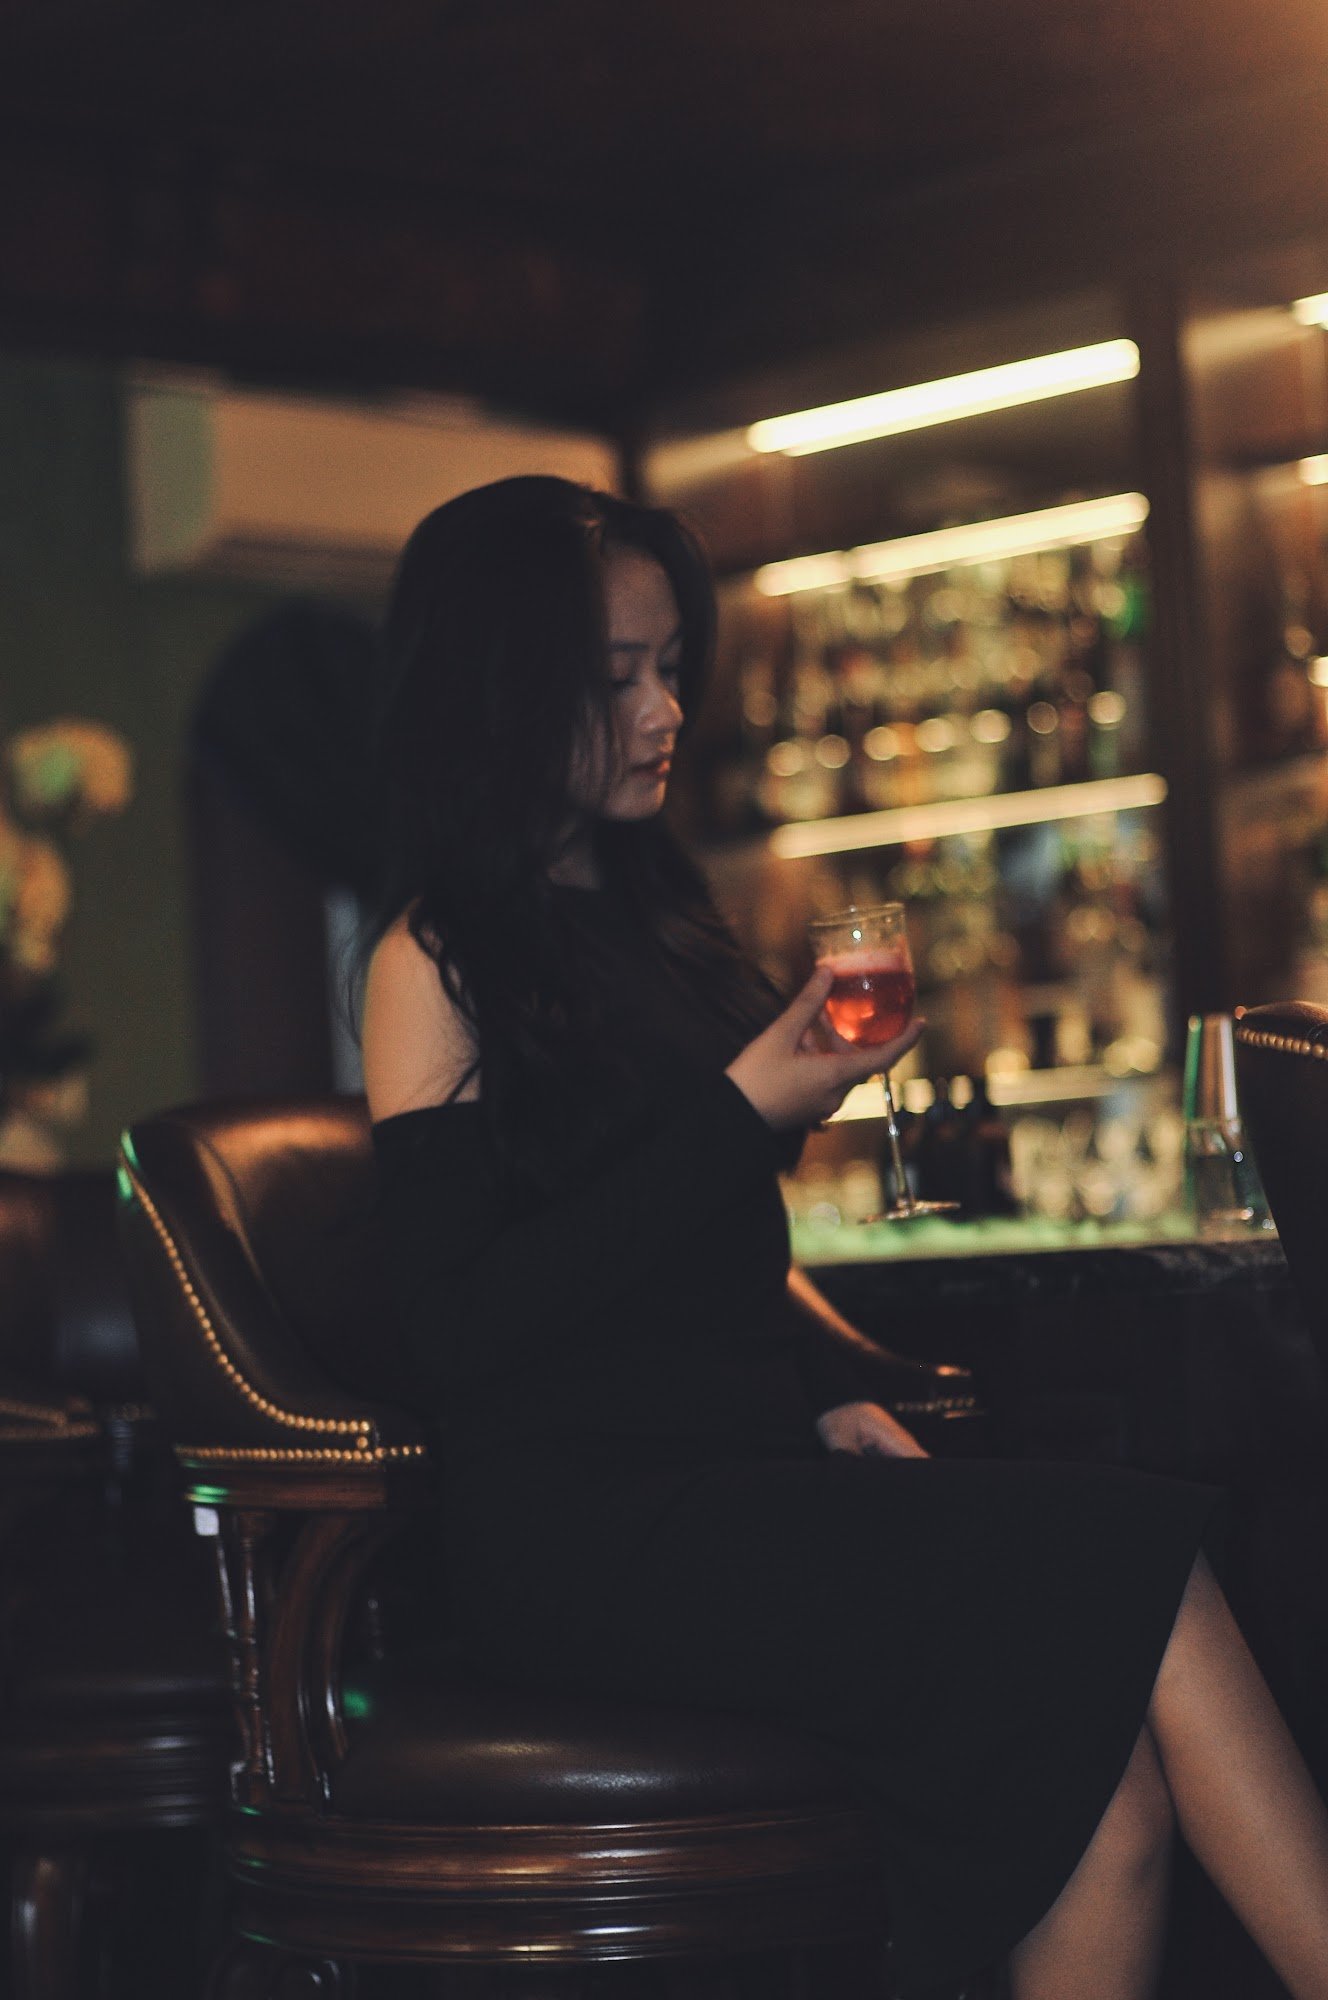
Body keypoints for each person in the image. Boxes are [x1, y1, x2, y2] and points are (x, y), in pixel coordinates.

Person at [359, 475, 1328, 1999]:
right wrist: (750, 1103)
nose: (666, 709)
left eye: (674, 666)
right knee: (1140, 1553)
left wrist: (822, 1386)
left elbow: (706, 1258)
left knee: (1100, 1792)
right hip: (585, 1532)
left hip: (738, 1480)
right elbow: (465, 1330)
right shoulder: (432, 961)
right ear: (503, 691)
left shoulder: (667, 922)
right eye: (617, 678)